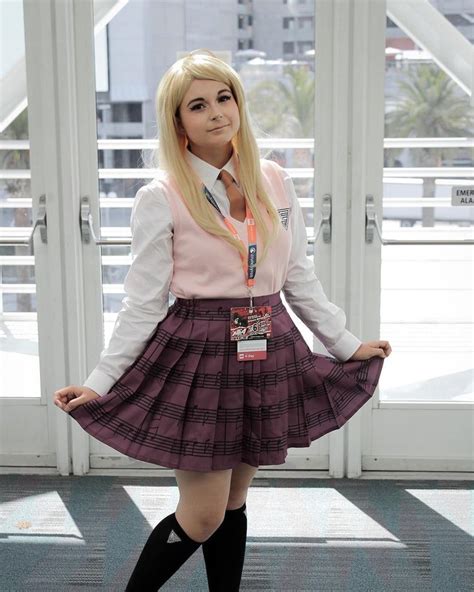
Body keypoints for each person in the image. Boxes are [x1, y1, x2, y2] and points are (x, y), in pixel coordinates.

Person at [53, 49, 391, 592]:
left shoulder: (273, 179)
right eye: (198, 105)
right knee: (203, 512)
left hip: (268, 344)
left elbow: (297, 275)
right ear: (178, 123)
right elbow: (142, 303)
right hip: (200, 352)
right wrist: (100, 381)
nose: (216, 112)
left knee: (233, 500)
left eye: (224, 97)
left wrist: (346, 344)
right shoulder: (161, 197)